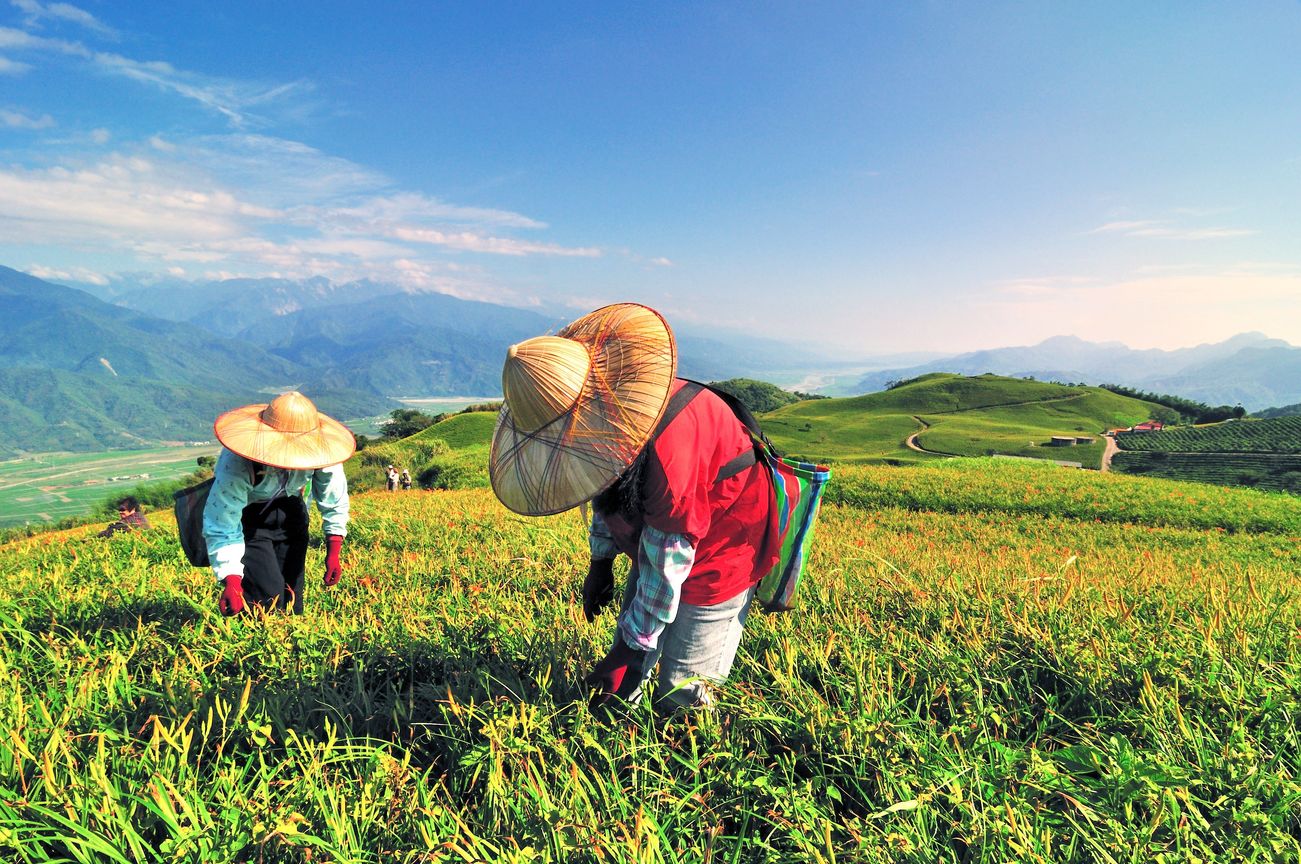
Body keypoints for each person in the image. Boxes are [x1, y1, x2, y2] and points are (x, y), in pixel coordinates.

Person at [489, 303, 778, 709]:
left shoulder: (670, 454)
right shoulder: (606, 426)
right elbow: (605, 488)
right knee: (631, 663)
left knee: (682, 691)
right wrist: (600, 564)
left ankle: (692, 756)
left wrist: (628, 651)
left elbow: (667, 562)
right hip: (660, 536)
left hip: (725, 546)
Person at [202, 391, 354, 616]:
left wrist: (334, 548)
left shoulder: (321, 452)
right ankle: (263, 641)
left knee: (292, 595)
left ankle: (291, 644)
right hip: (251, 521)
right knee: (267, 598)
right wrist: (231, 580)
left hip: (292, 513)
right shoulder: (237, 462)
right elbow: (223, 521)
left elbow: (333, 497)